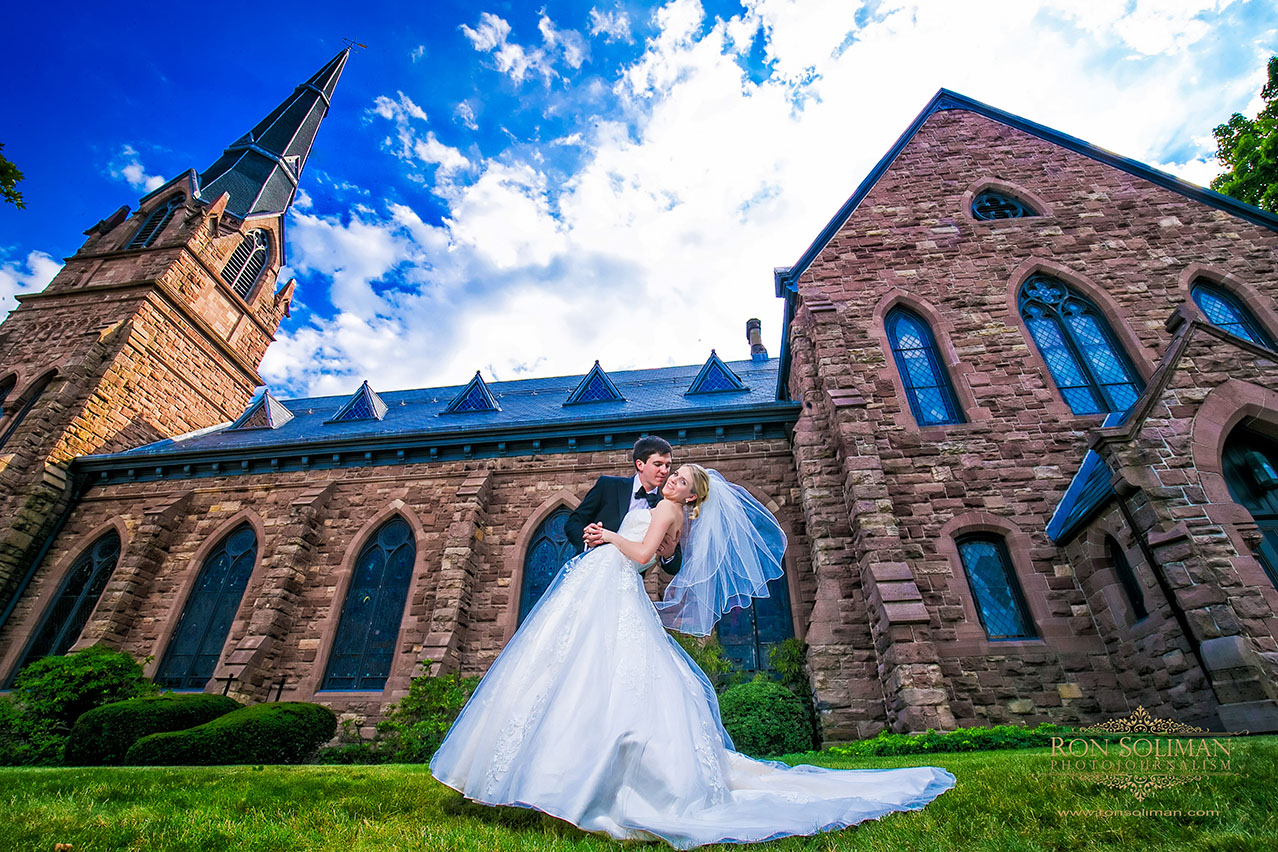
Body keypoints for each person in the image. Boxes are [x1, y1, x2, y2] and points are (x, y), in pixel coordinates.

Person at [429, 463, 955, 849]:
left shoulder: (664, 508)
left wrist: (607, 534)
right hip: (607, 588)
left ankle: (567, 777)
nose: (672, 478)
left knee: (589, 674)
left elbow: (639, 555)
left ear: (690, 491)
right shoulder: (674, 514)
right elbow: (656, 554)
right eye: (671, 472)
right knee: (588, 672)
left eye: (680, 476)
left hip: (611, 585)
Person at [565, 435, 683, 574]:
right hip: (591, 570)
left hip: (628, 584)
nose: (664, 471)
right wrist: (588, 539)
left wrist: (669, 555)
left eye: (668, 465)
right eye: (658, 464)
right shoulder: (608, 486)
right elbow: (573, 523)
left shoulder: (666, 506)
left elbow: (674, 567)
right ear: (640, 464)